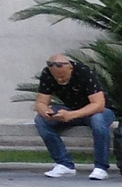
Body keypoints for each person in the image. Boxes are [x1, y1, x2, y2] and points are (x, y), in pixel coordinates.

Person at [32, 51, 114, 179]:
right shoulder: (47, 74)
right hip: (71, 109)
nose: (60, 79)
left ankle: (101, 167)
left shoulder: (83, 72)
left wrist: (72, 115)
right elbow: (40, 102)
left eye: (63, 75)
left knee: (97, 121)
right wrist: (46, 112)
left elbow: (98, 104)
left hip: (97, 110)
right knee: (40, 120)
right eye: (56, 77)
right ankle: (64, 164)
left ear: (70, 67)